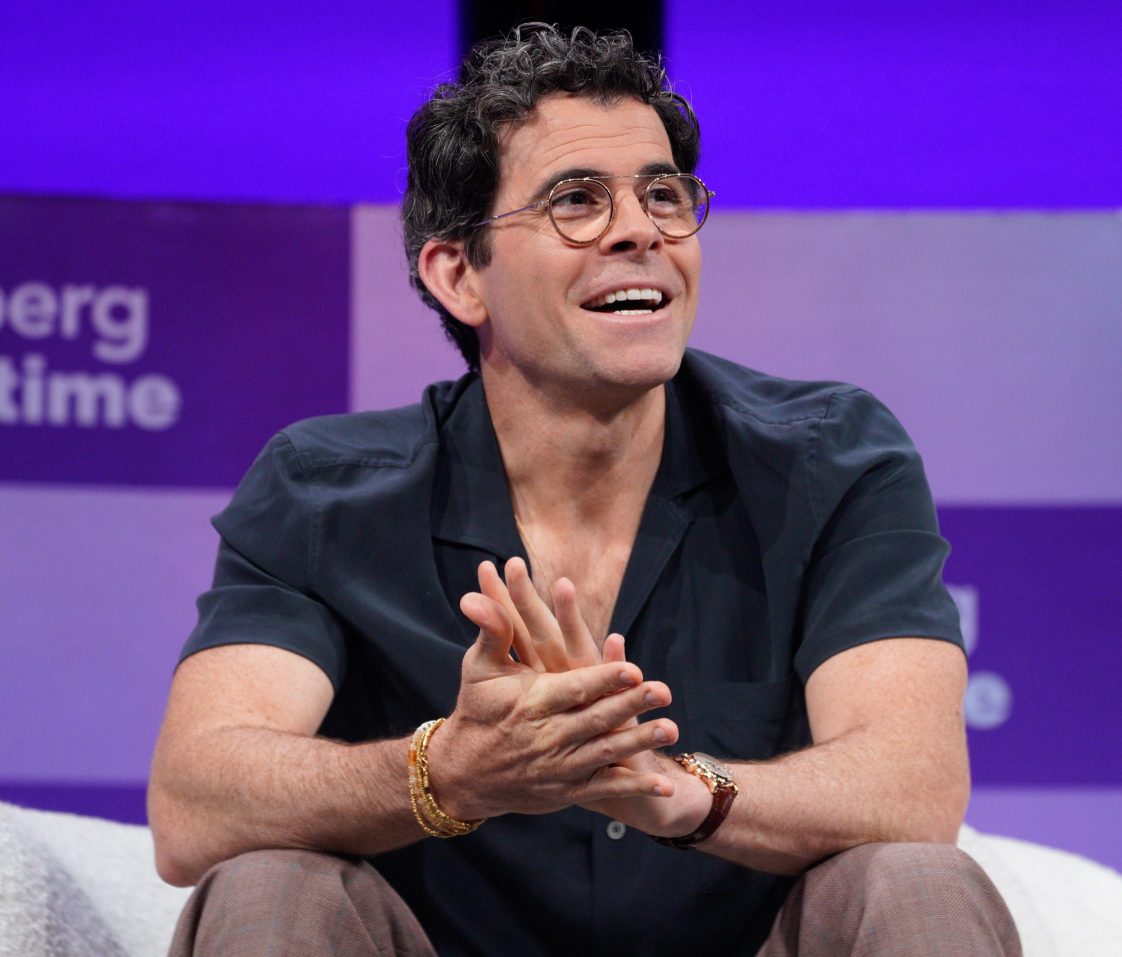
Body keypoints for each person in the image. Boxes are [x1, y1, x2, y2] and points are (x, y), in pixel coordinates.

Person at [147, 23, 1021, 957]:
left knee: (918, 880)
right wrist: (450, 769)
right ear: (459, 274)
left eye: (663, 194)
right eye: (576, 200)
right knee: (269, 887)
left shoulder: (832, 460)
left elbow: (915, 787)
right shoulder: (323, 491)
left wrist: (677, 788)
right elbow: (195, 803)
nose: (641, 230)